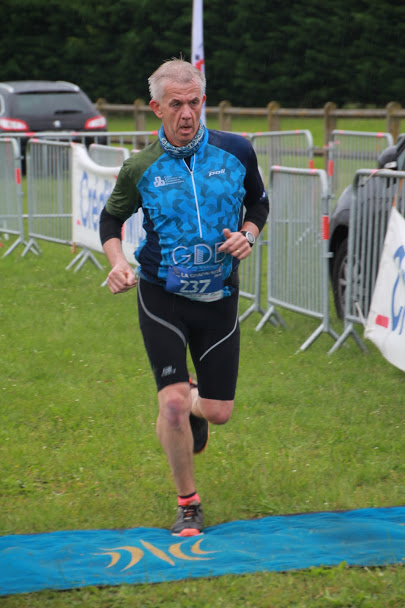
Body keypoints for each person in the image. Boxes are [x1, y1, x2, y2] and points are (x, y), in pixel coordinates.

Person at [99, 58, 269, 537]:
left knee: (218, 411)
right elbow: (111, 220)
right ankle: (188, 503)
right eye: (176, 104)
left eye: (195, 102)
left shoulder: (236, 151)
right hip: (163, 297)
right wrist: (118, 262)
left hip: (220, 297)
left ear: (204, 102)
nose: (188, 113)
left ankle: (196, 400)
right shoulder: (141, 167)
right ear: (157, 108)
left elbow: (258, 201)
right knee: (171, 404)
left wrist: (248, 235)